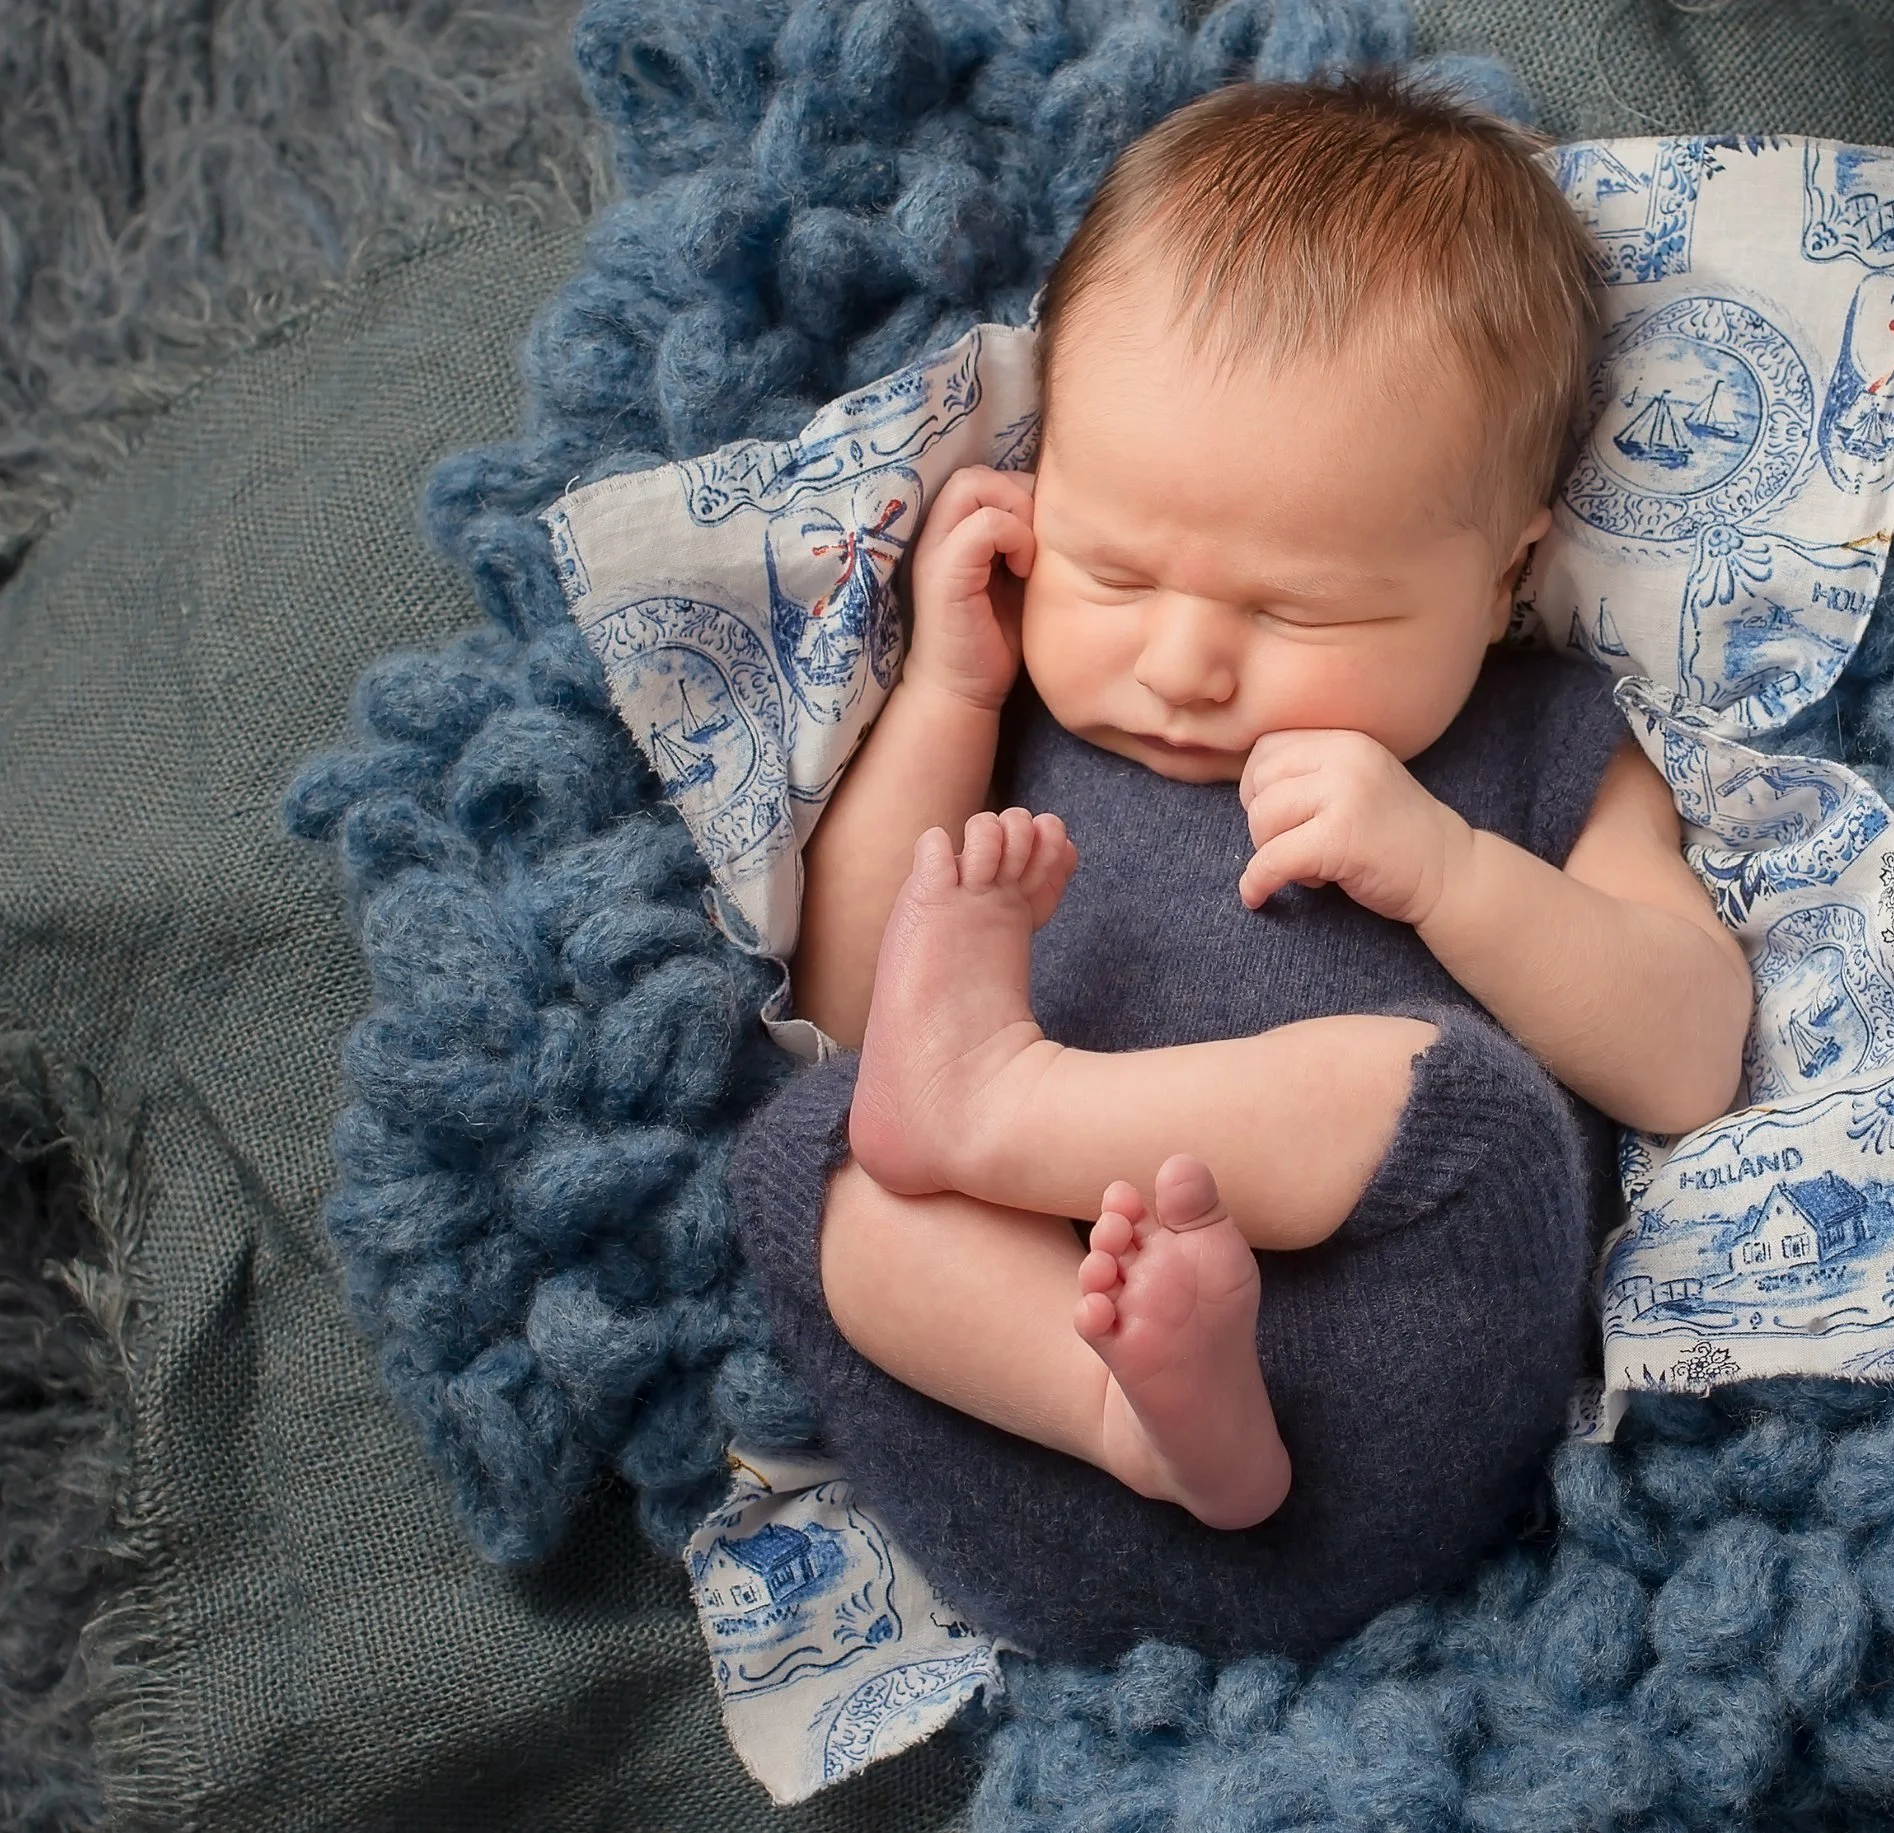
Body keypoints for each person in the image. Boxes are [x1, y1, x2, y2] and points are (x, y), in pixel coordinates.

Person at [729, 71, 1752, 1662]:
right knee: (812, 1149)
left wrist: (1446, 869)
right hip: (1029, 1456)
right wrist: (950, 689)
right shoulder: (1018, 721)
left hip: (1382, 1437)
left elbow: (1690, 1054)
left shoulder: (1545, 744)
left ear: (1503, 580)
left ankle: (1013, 1108)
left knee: (1457, 1107)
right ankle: (1134, 1408)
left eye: (1300, 612)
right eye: (1113, 569)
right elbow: (860, 1011)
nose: (1185, 664)